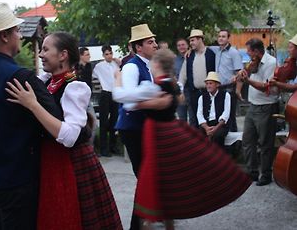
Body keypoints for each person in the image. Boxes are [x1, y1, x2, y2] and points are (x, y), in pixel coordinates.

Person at [114, 49, 251, 229]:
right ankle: (161, 221)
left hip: (160, 137)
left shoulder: (156, 87)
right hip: (166, 133)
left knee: (155, 180)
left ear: (156, 65)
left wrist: (118, 79)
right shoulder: (168, 84)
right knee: (166, 179)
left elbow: (127, 100)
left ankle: (147, 222)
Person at [6, 32, 122, 230]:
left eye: (45, 49)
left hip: (69, 162)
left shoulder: (75, 86)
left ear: (63, 55)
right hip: (49, 160)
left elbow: (69, 137)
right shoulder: (46, 80)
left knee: (67, 216)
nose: (41, 54)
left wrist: (33, 105)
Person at [0, 3, 62, 230]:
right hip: (18, 178)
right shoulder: (19, 77)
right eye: (16, 31)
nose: (19, 35)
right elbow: (57, 121)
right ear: (5, 36)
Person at [114, 23, 171, 230]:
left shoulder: (147, 65)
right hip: (133, 128)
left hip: (142, 128)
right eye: (150, 42)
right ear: (138, 47)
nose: (155, 44)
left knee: (149, 179)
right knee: (146, 179)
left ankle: (145, 223)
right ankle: (141, 224)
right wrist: (154, 95)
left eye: (154, 41)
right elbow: (127, 100)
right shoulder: (131, 66)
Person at [239, 38, 279, 186]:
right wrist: (244, 73)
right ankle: (252, 172)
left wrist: (247, 81)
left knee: (265, 143)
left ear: (256, 51)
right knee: (247, 140)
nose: (248, 54)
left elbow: (266, 87)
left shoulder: (271, 62)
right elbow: (249, 73)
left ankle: (266, 174)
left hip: (267, 106)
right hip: (253, 105)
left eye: (249, 51)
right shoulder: (253, 61)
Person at [178, 29, 215, 127]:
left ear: (200, 39)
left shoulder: (211, 54)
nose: (190, 43)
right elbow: (183, 75)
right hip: (194, 93)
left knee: (209, 119)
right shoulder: (189, 55)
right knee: (194, 120)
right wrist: (180, 90)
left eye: (192, 40)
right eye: (190, 41)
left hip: (209, 92)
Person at [210, 29, 243, 132]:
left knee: (230, 116)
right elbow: (202, 48)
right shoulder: (217, 50)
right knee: (220, 117)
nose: (221, 38)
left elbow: (240, 72)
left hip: (229, 88)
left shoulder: (233, 52)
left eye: (223, 36)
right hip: (219, 88)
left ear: (228, 38)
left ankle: (235, 144)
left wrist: (238, 90)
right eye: (219, 36)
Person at [92, 45, 120, 156]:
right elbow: (92, 75)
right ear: (103, 55)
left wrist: (116, 60)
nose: (109, 56)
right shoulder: (99, 66)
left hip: (115, 94)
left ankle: (113, 146)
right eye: (107, 54)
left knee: (114, 121)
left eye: (110, 53)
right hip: (105, 93)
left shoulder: (116, 64)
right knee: (103, 122)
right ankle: (104, 148)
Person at [197, 71, 231, 148]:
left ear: (217, 84)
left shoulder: (226, 95)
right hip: (207, 124)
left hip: (220, 124)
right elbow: (199, 114)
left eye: (211, 83)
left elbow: (226, 113)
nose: (208, 86)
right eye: (207, 83)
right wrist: (206, 128)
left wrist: (215, 128)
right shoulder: (202, 97)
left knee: (217, 136)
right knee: (199, 136)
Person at [174, 38, 191, 122]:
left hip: (192, 91)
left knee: (193, 118)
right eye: (179, 45)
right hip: (180, 92)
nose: (181, 47)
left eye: (183, 45)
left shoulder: (193, 57)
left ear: (188, 45)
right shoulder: (175, 61)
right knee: (182, 118)